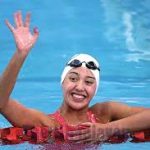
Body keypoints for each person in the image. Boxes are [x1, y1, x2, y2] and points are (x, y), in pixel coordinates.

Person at [0, 11, 150, 144]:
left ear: (95, 88)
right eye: (73, 78)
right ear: (62, 83)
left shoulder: (104, 114)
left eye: (89, 82)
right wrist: (20, 55)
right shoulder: (45, 123)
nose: (80, 87)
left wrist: (108, 129)